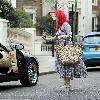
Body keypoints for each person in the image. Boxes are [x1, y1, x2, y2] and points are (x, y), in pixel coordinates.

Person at [43, 10, 87, 89]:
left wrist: (62, 37)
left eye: (56, 16)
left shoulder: (65, 24)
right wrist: (47, 39)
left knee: (67, 64)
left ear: (60, 17)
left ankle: (67, 83)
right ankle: (65, 83)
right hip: (60, 49)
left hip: (66, 48)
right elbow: (55, 38)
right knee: (62, 65)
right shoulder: (59, 26)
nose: (55, 18)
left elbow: (69, 35)